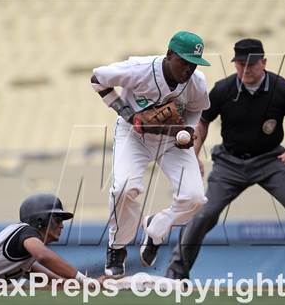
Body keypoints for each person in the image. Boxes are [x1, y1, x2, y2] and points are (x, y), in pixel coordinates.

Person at [166, 38, 285, 280]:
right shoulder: (224, 89)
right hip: (229, 163)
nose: (246, 69)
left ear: (264, 62)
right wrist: (194, 156)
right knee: (204, 213)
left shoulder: (281, 89)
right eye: (240, 64)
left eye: (251, 64)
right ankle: (176, 274)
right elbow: (203, 122)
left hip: (270, 161)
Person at [90, 31, 211, 278]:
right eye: (184, 61)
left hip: (170, 139)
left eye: (194, 64)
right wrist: (127, 113)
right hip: (134, 135)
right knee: (124, 187)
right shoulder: (138, 69)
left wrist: (187, 132)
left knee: (195, 198)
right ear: (169, 55)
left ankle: (157, 228)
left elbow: (196, 111)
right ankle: (117, 247)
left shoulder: (197, 82)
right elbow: (97, 79)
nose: (189, 68)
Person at [0, 193, 98, 289]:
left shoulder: (24, 253)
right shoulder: (26, 231)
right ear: (40, 220)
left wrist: (84, 284)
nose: (61, 225)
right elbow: (43, 256)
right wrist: (82, 279)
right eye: (58, 219)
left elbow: (47, 278)